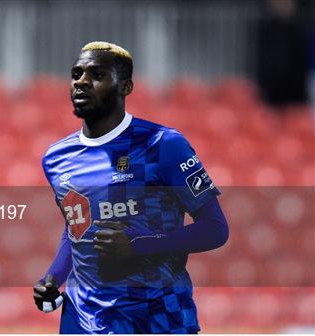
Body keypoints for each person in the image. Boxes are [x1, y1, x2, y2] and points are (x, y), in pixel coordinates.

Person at [33, 41, 229, 334]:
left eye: (97, 75)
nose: (82, 82)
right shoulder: (56, 158)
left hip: (158, 320)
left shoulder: (163, 145)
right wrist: (53, 277)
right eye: (77, 74)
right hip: (82, 322)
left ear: (125, 87)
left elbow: (215, 229)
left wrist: (139, 244)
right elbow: (78, 225)